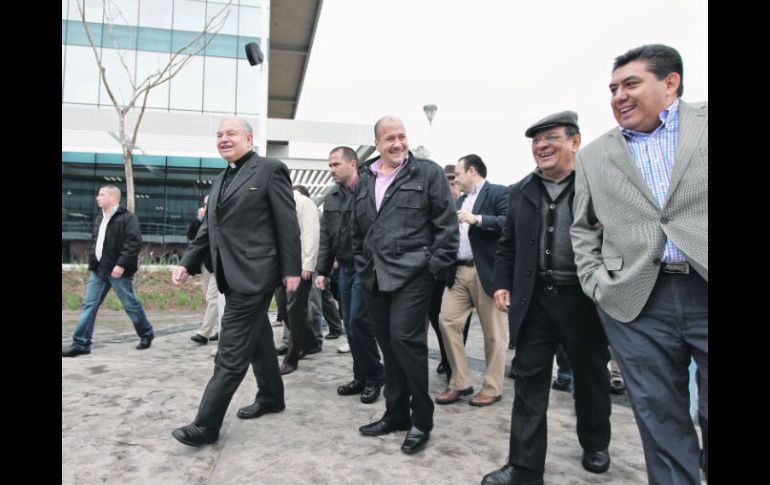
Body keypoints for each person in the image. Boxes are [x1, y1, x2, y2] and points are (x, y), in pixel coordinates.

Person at [570, 44, 707, 484]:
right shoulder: (593, 155)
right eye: (613, 88)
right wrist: (597, 283)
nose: (619, 96)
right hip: (637, 302)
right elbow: (582, 228)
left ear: (670, 83)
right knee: (660, 421)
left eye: (631, 84)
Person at [482, 111, 612, 485]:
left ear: (575, 140)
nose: (542, 146)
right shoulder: (521, 190)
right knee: (529, 380)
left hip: (583, 300)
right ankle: (524, 467)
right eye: (537, 141)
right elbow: (507, 244)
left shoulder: (596, 183)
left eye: (551, 137)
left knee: (590, 378)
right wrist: (502, 282)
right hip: (535, 300)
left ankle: (595, 442)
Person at [169, 116, 301, 447]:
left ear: (249, 139)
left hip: (256, 275)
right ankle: (272, 396)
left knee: (229, 353)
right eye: (219, 135)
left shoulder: (270, 169)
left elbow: (287, 224)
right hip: (230, 274)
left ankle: (206, 426)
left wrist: (292, 269)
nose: (223, 139)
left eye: (231, 133)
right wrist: (187, 262)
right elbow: (207, 231)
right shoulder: (220, 179)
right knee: (258, 339)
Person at [352, 116, 458, 454]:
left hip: (415, 274)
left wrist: (433, 266)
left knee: (405, 340)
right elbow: (357, 229)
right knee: (388, 344)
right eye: (389, 139)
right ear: (377, 143)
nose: (397, 144)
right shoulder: (366, 179)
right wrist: (360, 263)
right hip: (374, 276)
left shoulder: (428, 173)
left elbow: (446, 223)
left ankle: (421, 421)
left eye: (402, 137)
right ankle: (395, 413)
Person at [435, 154, 509, 407]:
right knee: (447, 321)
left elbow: (509, 223)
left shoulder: (498, 193)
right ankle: (460, 381)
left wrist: (477, 219)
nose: (455, 179)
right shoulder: (459, 201)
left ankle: (492, 387)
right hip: (457, 272)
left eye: (458, 173)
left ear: (472, 171)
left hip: (485, 271)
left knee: (494, 333)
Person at [316, 146, 386, 404]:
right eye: (330, 165)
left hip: (366, 267)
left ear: (353, 164)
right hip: (343, 269)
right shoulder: (331, 197)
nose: (331, 169)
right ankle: (361, 375)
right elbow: (325, 237)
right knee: (349, 324)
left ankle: (375, 376)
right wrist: (322, 271)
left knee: (359, 321)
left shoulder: (372, 191)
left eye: (336, 164)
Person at [62, 185, 155, 357]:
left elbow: (133, 243)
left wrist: (121, 265)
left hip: (118, 272)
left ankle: (146, 334)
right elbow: (97, 244)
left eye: (101, 194)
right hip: (99, 271)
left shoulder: (128, 218)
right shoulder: (100, 218)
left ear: (112, 198)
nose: (97, 197)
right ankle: (81, 344)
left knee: (130, 305)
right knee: (89, 305)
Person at [427, 164, 471, 380]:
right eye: (448, 182)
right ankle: (447, 357)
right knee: (437, 318)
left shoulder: (467, 205)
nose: (452, 186)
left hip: (460, 271)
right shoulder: (434, 205)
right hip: (437, 272)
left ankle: (455, 363)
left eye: (455, 181)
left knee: (459, 323)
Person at [273, 185, 320, 375]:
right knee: (284, 310)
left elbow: (311, 233)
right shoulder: (276, 204)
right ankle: (310, 342)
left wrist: (308, 265)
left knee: (294, 311)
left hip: (299, 267)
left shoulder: (304, 203)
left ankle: (292, 358)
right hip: (279, 267)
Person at [187, 195, 224, 345]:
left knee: (213, 299)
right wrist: (198, 220)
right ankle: (220, 329)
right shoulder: (203, 219)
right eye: (204, 204)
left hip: (219, 265)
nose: (206, 207)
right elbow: (192, 237)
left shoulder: (221, 217)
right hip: (206, 265)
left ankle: (204, 333)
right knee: (211, 299)